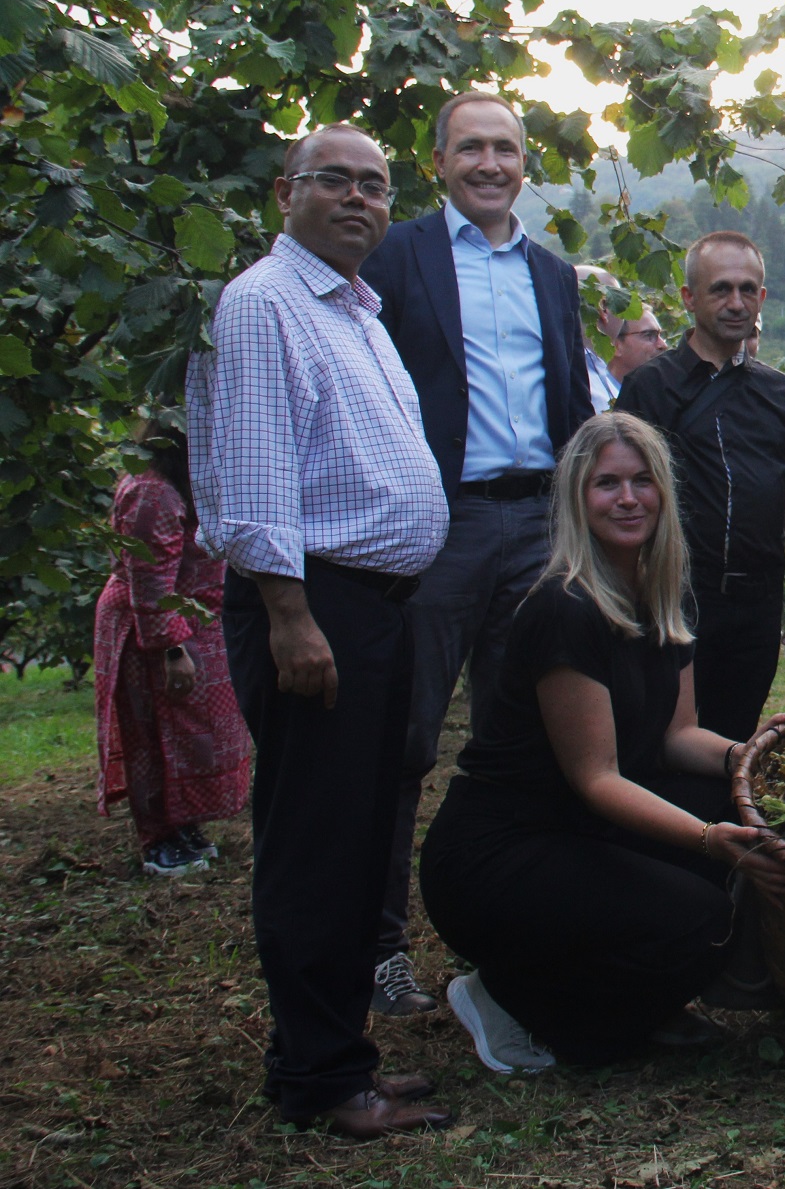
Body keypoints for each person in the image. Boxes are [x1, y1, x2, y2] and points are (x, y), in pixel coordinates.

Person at [187, 123, 450, 1136]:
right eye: (333, 180)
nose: (358, 199)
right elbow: (253, 482)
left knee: (353, 838)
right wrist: (290, 617)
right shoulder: (263, 304)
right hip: (314, 610)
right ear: (286, 192)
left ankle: (339, 1054)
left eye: (376, 187)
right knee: (315, 847)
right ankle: (321, 1083)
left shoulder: (355, 309)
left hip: (368, 609)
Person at [420, 412, 785, 1070]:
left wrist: (748, 756)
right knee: (699, 916)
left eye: (642, 481)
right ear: (577, 498)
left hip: (578, 828)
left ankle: (614, 985)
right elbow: (598, 777)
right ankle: (514, 997)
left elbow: (678, 738)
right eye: (607, 483)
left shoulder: (664, 593)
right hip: (499, 852)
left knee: (728, 801)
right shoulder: (562, 607)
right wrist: (709, 841)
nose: (628, 498)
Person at [359, 89, 595, 1017]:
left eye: (505, 148)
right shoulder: (396, 255)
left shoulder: (550, 271)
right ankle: (375, 947)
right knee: (402, 736)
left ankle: (518, 937)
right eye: (472, 149)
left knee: (534, 736)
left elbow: (570, 404)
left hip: (538, 523)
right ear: (439, 163)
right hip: (438, 523)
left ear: (524, 161)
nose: (490, 164)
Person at [614, 231, 785, 740]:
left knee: (734, 731)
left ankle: (725, 820)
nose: (736, 303)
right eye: (721, 289)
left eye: (748, 289)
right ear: (690, 298)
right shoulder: (649, 388)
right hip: (674, 595)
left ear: (762, 297)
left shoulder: (777, 392)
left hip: (755, 601)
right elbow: (625, 494)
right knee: (662, 733)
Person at [93, 419, 251, 877]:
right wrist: (170, 647)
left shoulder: (183, 482)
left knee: (191, 730)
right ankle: (158, 839)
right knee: (155, 731)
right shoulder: (153, 492)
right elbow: (149, 576)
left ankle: (183, 826)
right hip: (155, 627)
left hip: (193, 622)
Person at [577, 264, 668, 412]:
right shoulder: (585, 385)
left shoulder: (593, 376)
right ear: (603, 310)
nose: (663, 345)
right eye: (649, 335)